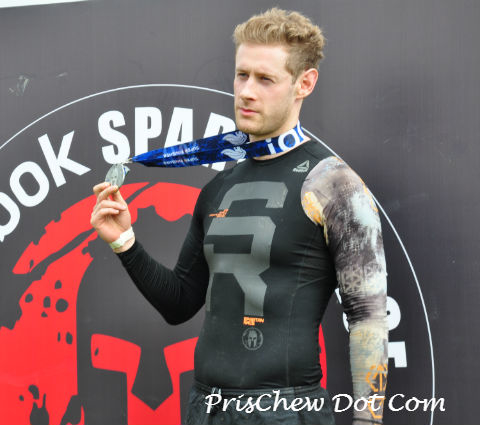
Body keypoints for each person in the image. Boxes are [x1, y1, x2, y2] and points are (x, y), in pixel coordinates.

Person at [90, 8, 388, 425]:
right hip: (206, 408)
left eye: (265, 79)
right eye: (241, 75)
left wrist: (368, 420)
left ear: (304, 83)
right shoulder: (219, 185)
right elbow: (179, 303)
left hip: (286, 411)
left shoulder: (334, 184)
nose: (247, 91)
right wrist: (124, 242)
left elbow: (367, 317)